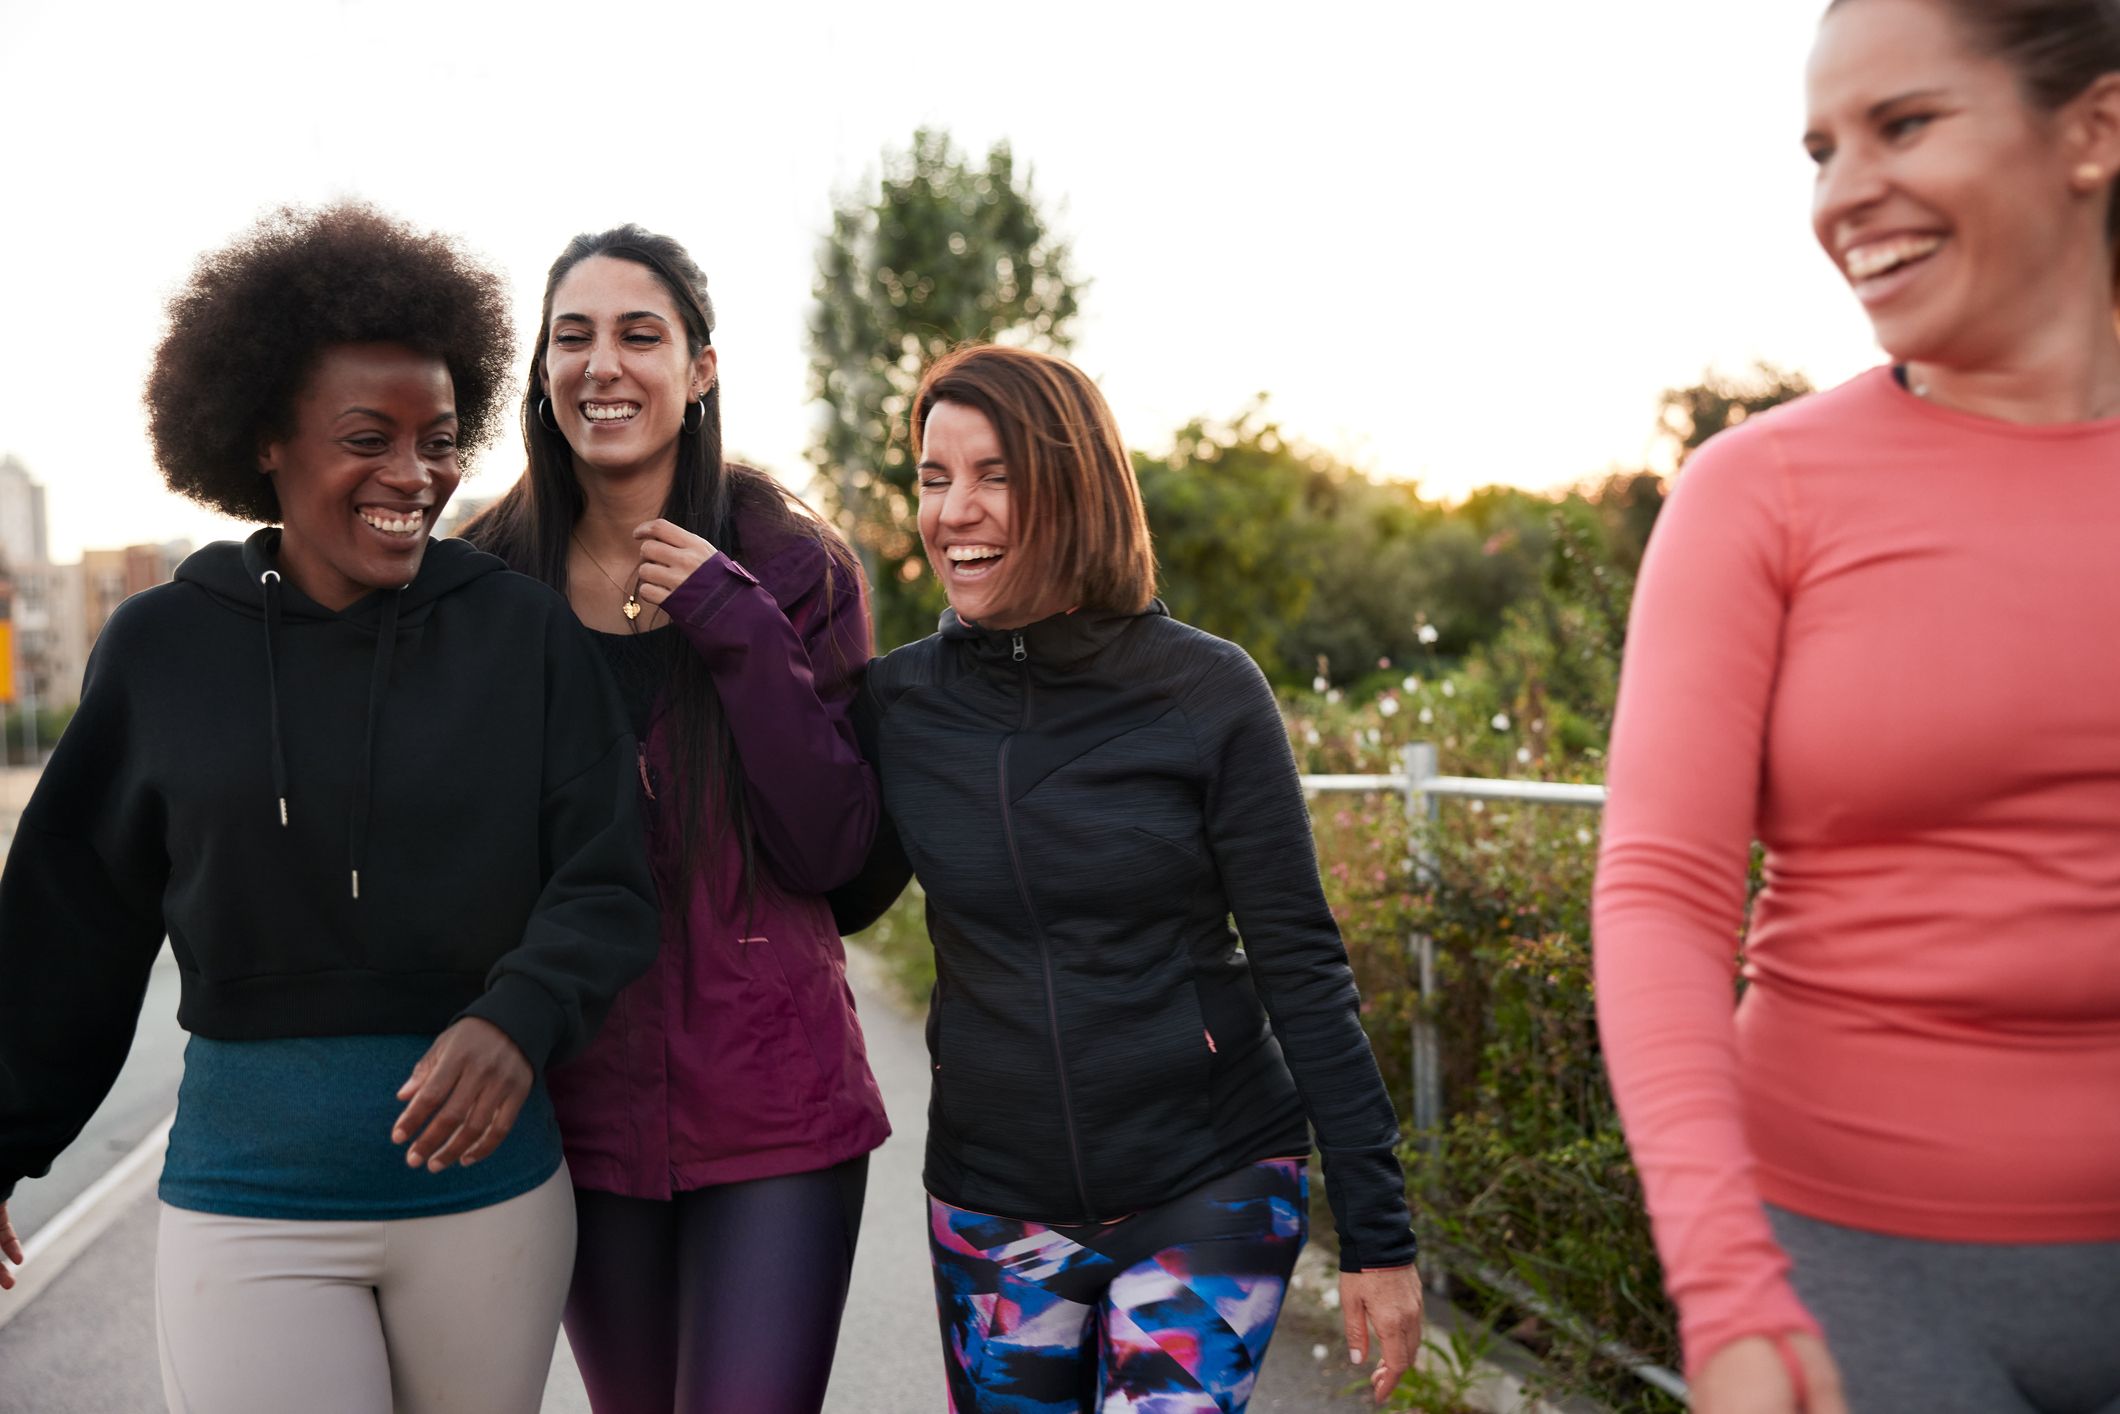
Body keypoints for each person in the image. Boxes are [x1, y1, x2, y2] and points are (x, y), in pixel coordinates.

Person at [0, 203, 660, 1413]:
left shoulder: (521, 633)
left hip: (488, 1205)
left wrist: (518, 1017)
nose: (415, 475)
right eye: (370, 437)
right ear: (265, 440)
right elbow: (70, 926)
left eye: (440, 437)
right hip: (249, 1204)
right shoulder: (161, 649)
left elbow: (609, 875)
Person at [1593, 2, 2120, 1410]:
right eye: (1823, 149)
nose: (1842, 196)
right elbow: (1658, 892)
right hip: (1849, 1275)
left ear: (2095, 129)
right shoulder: (1757, 491)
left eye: (1906, 125)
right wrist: (1726, 1287)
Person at [828, 343, 1424, 1412]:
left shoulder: (1203, 690)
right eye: (932, 477)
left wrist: (1378, 1236)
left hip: (1210, 1184)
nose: (952, 509)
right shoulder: (900, 704)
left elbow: (1300, 962)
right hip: (995, 1205)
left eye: (993, 474)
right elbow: (834, 893)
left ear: (1071, 486)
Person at [462, 225, 888, 1414]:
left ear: (699, 367)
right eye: (573, 337)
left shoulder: (791, 563)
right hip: (577, 1109)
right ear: (543, 376)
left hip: (775, 1113)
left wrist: (730, 616)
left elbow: (831, 846)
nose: (604, 364)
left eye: (639, 335)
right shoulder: (488, 585)